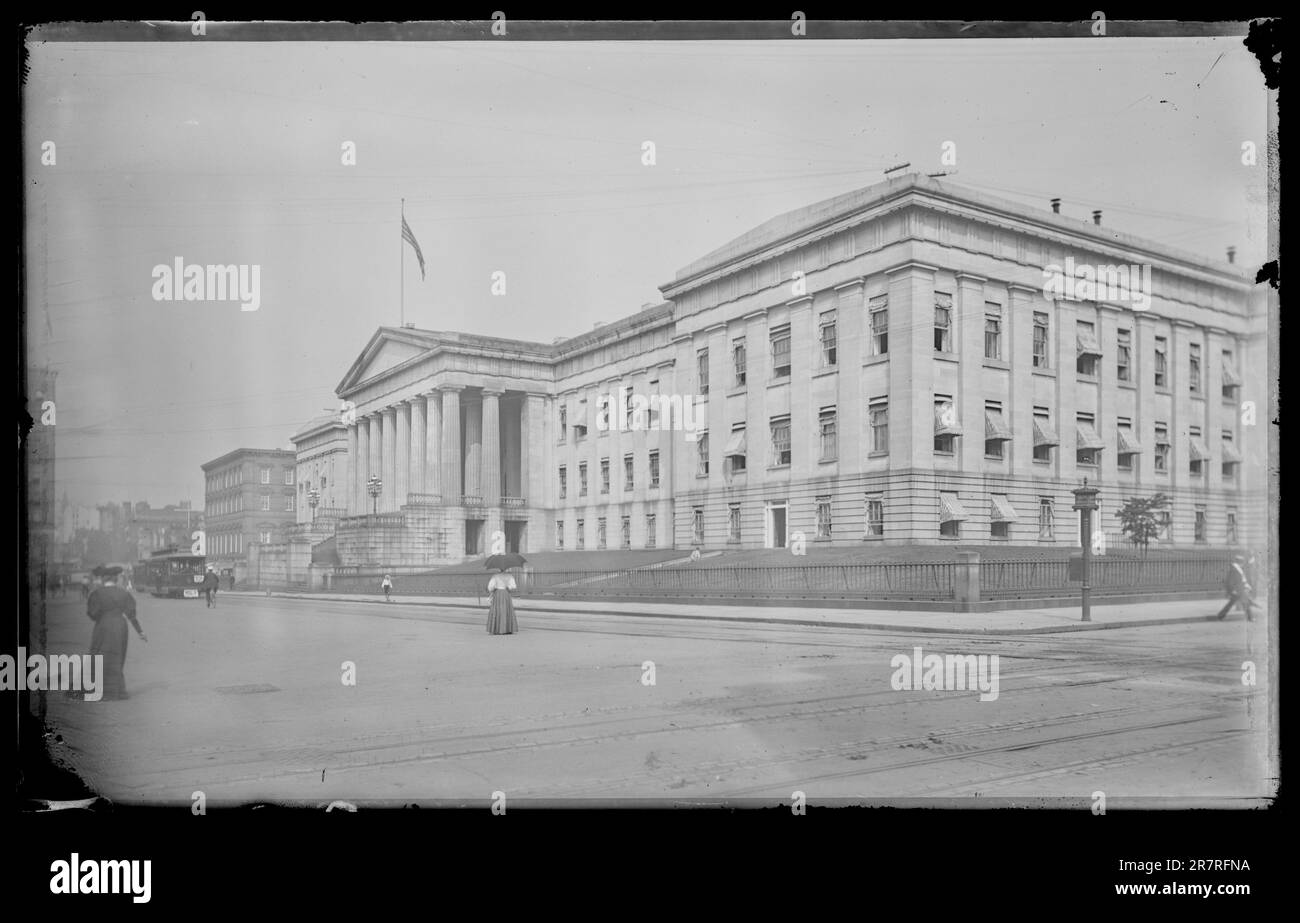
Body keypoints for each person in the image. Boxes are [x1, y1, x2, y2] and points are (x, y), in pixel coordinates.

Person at [85, 566, 147, 700]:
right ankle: (117, 691)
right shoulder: (124, 593)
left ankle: (97, 689)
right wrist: (140, 631)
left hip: (103, 626)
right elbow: (131, 615)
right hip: (120, 626)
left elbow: (92, 614)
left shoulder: (97, 594)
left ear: (103, 579)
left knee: (99, 655)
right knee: (117, 657)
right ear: (116, 579)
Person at [1217, 553, 1256, 622]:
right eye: (1242, 562)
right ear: (1240, 562)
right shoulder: (1234, 570)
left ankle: (1220, 615)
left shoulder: (1237, 569)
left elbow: (1241, 579)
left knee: (1231, 603)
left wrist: (1247, 585)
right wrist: (1233, 590)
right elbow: (1229, 581)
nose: (1243, 564)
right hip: (1238, 590)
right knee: (1245, 603)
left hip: (1239, 589)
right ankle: (1250, 617)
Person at [486, 568, 518, 635]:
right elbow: (514, 586)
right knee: (506, 609)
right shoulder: (510, 576)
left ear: (499, 568)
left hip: (498, 594)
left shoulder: (495, 576)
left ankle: (497, 629)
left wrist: (493, 589)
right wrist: (508, 587)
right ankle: (507, 629)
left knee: (497, 610)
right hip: (506, 593)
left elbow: (490, 587)